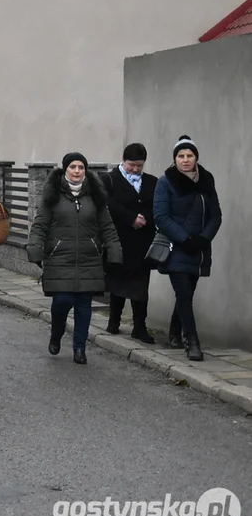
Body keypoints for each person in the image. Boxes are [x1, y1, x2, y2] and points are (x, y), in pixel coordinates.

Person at [27, 153, 122, 365]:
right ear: (65, 169)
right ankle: (56, 333)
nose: (77, 171)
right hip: (60, 257)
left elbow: (107, 227)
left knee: (83, 305)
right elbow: (40, 225)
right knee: (62, 301)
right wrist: (35, 249)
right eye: (73, 167)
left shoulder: (95, 196)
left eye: (81, 167)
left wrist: (114, 250)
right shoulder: (53, 195)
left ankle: (80, 347)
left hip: (89, 259)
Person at [154, 136, 222, 362]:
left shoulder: (206, 181)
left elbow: (216, 216)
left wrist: (203, 239)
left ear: (196, 158)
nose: (185, 160)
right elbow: (161, 217)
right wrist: (185, 239)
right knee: (183, 293)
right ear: (174, 159)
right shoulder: (166, 182)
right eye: (181, 156)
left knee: (187, 293)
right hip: (176, 247)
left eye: (189, 156)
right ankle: (191, 341)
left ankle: (174, 332)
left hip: (199, 248)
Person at [99, 143, 158, 343]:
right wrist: (131, 217)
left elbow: (157, 206)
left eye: (139, 166)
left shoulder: (152, 182)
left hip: (143, 241)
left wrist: (145, 219)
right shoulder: (109, 180)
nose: (135, 169)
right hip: (118, 239)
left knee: (141, 285)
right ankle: (114, 320)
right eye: (132, 165)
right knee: (118, 281)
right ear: (124, 161)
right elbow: (107, 203)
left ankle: (139, 326)